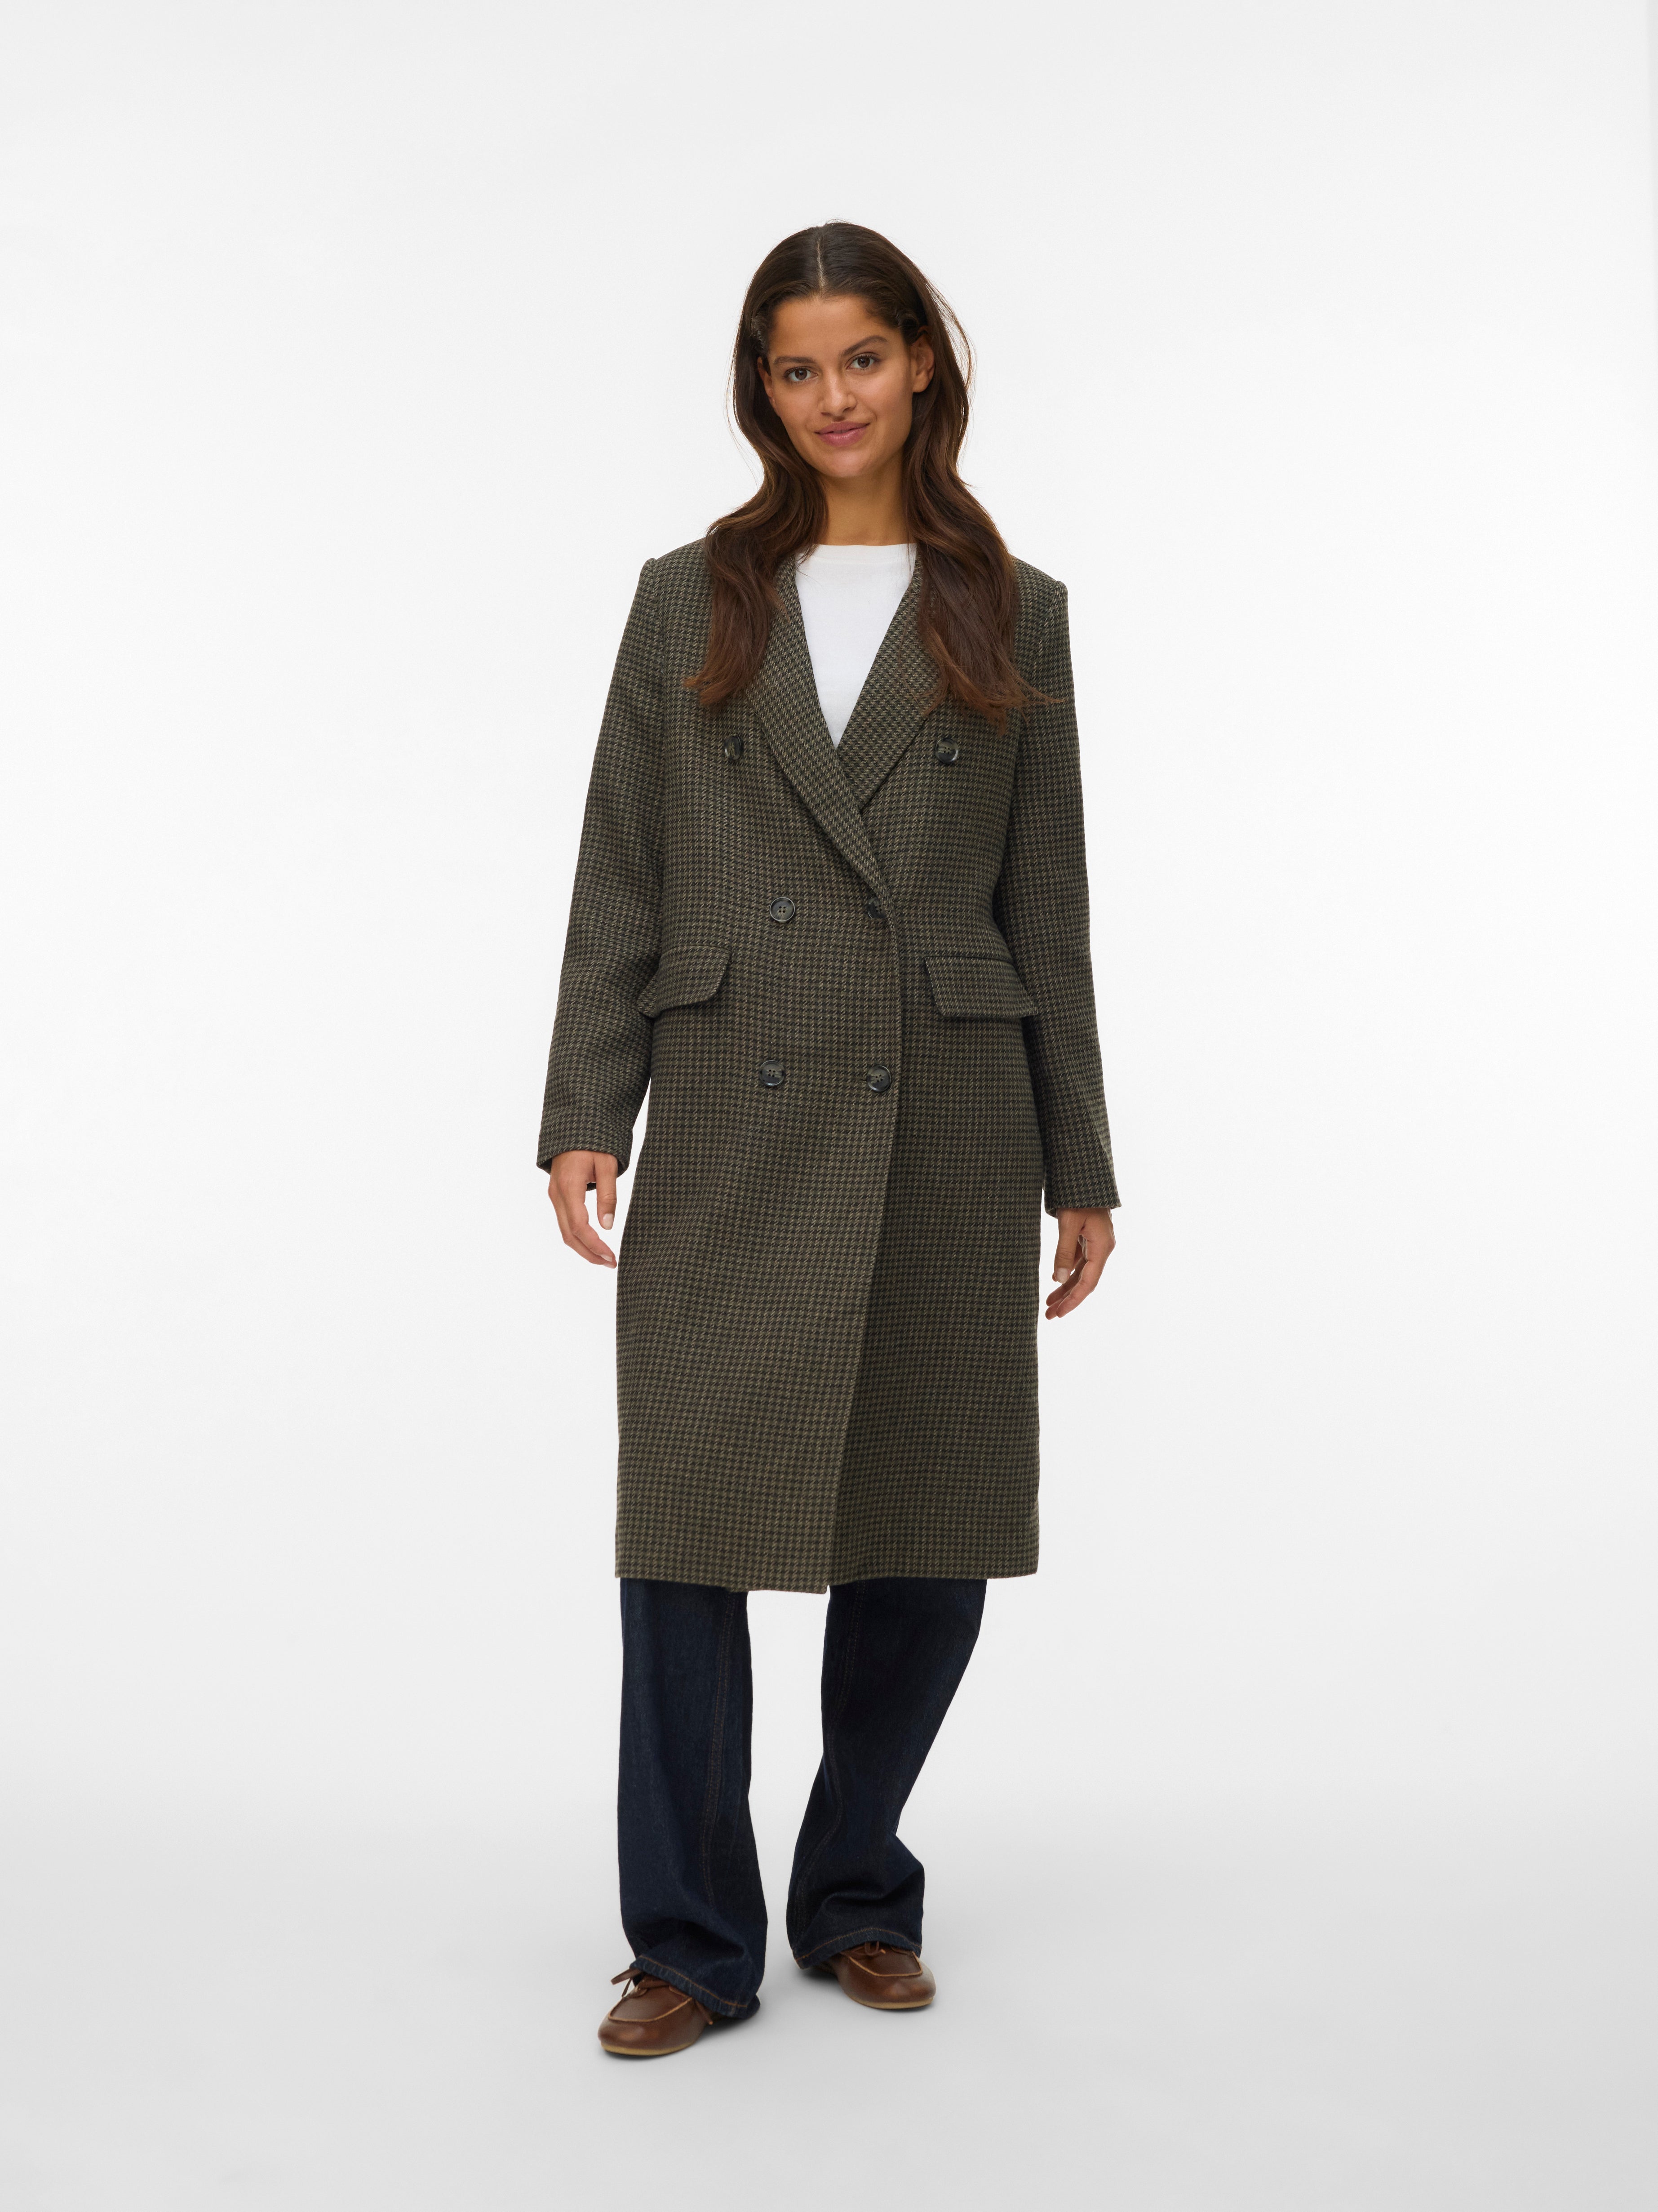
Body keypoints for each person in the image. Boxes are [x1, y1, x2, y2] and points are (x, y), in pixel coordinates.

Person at [538, 221, 1118, 2058]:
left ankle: (856, 1884)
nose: (830, 398)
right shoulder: (689, 596)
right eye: (794, 369)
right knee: (682, 1531)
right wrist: (584, 1105)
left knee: (925, 1538)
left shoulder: (1009, 607)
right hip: (730, 1099)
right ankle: (688, 1940)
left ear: (920, 362)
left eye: (859, 358)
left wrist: (1082, 1157)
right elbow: (621, 867)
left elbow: (1047, 908)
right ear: (761, 389)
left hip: (946, 1112)